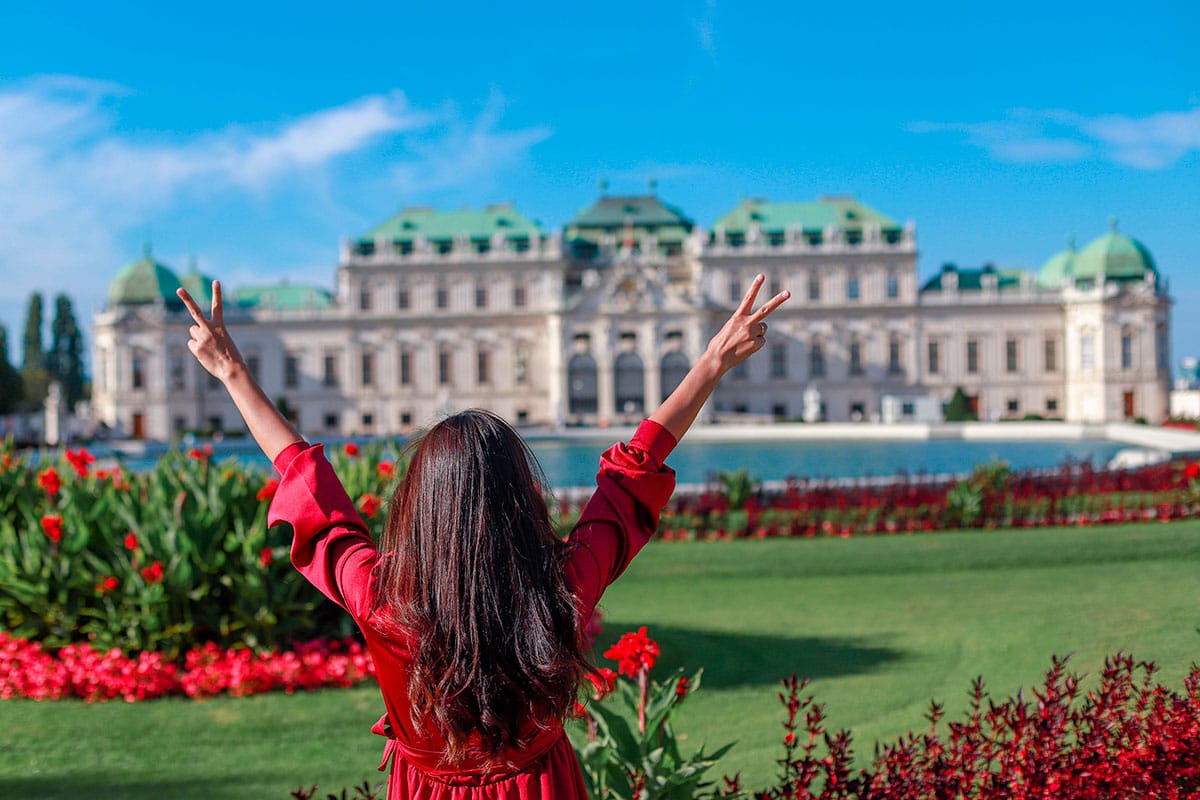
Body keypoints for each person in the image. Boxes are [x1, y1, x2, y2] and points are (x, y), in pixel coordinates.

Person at [176, 275, 790, 800]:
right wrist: (710, 364)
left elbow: (314, 491)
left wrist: (232, 373)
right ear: (521, 496)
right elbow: (628, 479)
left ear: (420, 502)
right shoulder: (561, 588)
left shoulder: (382, 597)